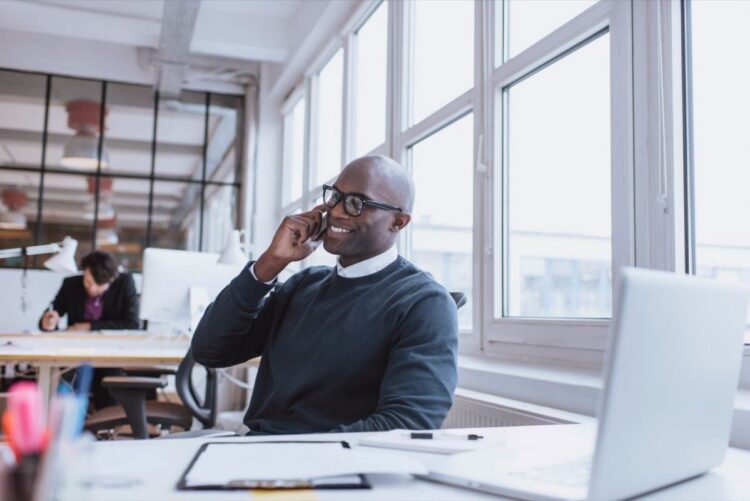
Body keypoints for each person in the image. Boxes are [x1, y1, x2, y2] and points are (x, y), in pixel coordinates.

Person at [192, 155, 458, 435]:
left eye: (357, 203)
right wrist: (269, 264)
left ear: (398, 222)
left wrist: (290, 453)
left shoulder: (424, 303)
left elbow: (406, 425)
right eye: (335, 197)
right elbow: (209, 350)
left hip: (330, 469)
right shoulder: (304, 285)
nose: (337, 212)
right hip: (259, 455)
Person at [39, 250, 139, 332]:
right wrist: (48, 323)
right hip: (76, 345)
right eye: (88, 282)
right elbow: (52, 312)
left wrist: (90, 326)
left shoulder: (124, 283)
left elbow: (132, 323)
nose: (92, 288)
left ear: (111, 279)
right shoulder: (71, 284)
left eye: (99, 284)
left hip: (113, 345)